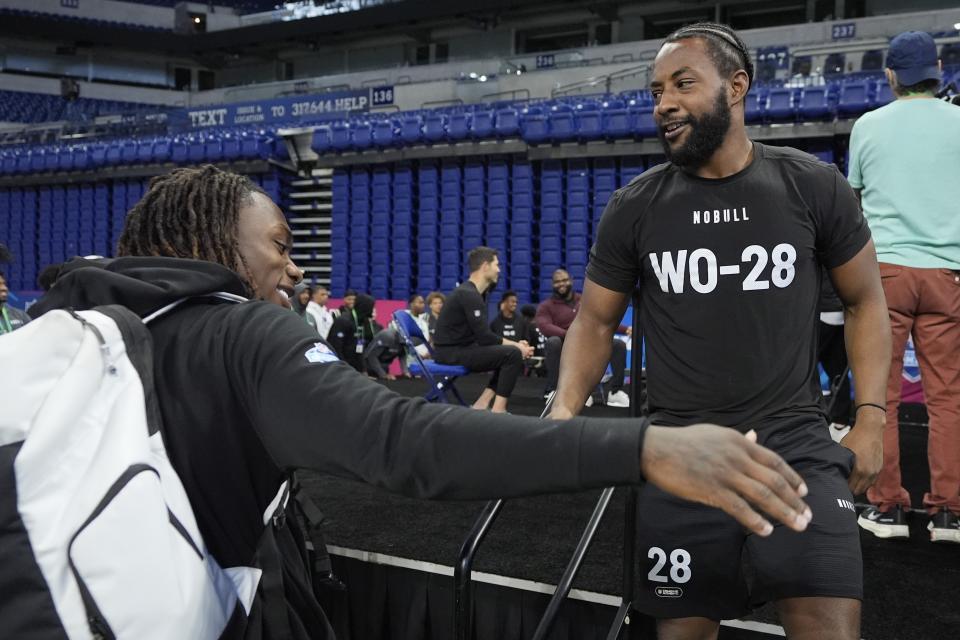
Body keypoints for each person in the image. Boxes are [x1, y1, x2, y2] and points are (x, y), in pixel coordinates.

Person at [27, 165, 813, 639]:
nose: (295, 271)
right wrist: (642, 446)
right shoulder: (239, 334)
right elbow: (406, 442)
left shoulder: (64, 326)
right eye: (278, 246)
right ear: (209, 247)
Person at [550, 23, 891, 639]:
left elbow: (866, 300)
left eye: (683, 84)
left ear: (737, 87)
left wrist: (871, 418)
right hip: (681, 454)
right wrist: (564, 408)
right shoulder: (635, 206)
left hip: (797, 449)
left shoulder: (812, 186)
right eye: (656, 92)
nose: (664, 104)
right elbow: (596, 320)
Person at [847, 30, 960, 543]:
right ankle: (948, 514)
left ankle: (887, 507)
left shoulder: (868, 126)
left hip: (885, 276)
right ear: (937, 69)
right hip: (948, 276)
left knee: (880, 397)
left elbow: (852, 205)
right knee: (947, 400)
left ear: (892, 75)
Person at [434, 247, 534, 413]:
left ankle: (482, 404)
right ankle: (498, 410)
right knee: (512, 354)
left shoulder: (477, 294)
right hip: (451, 354)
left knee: (508, 352)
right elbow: (485, 337)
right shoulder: (468, 294)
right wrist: (517, 346)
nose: (499, 270)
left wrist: (515, 345)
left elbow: (484, 337)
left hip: (460, 349)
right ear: (485, 266)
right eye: (496, 265)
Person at [536, 268, 630, 407]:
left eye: (564, 280)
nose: (561, 284)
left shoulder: (585, 300)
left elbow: (602, 319)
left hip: (589, 342)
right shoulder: (546, 306)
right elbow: (545, 326)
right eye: (557, 282)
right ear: (552, 285)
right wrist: (570, 335)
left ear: (571, 281)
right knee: (552, 342)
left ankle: (615, 392)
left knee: (618, 345)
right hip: (565, 344)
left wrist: (625, 329)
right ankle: (555, 390)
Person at [327, 293, 377, 373]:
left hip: (353, 369)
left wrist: (363, 370)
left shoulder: (362, 322)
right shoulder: (343, 321)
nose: (371, 311)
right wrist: (345, 369)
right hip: (339, 369)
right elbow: (336, 348)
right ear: (364, 306)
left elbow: (360, 349)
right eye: (370, 307)